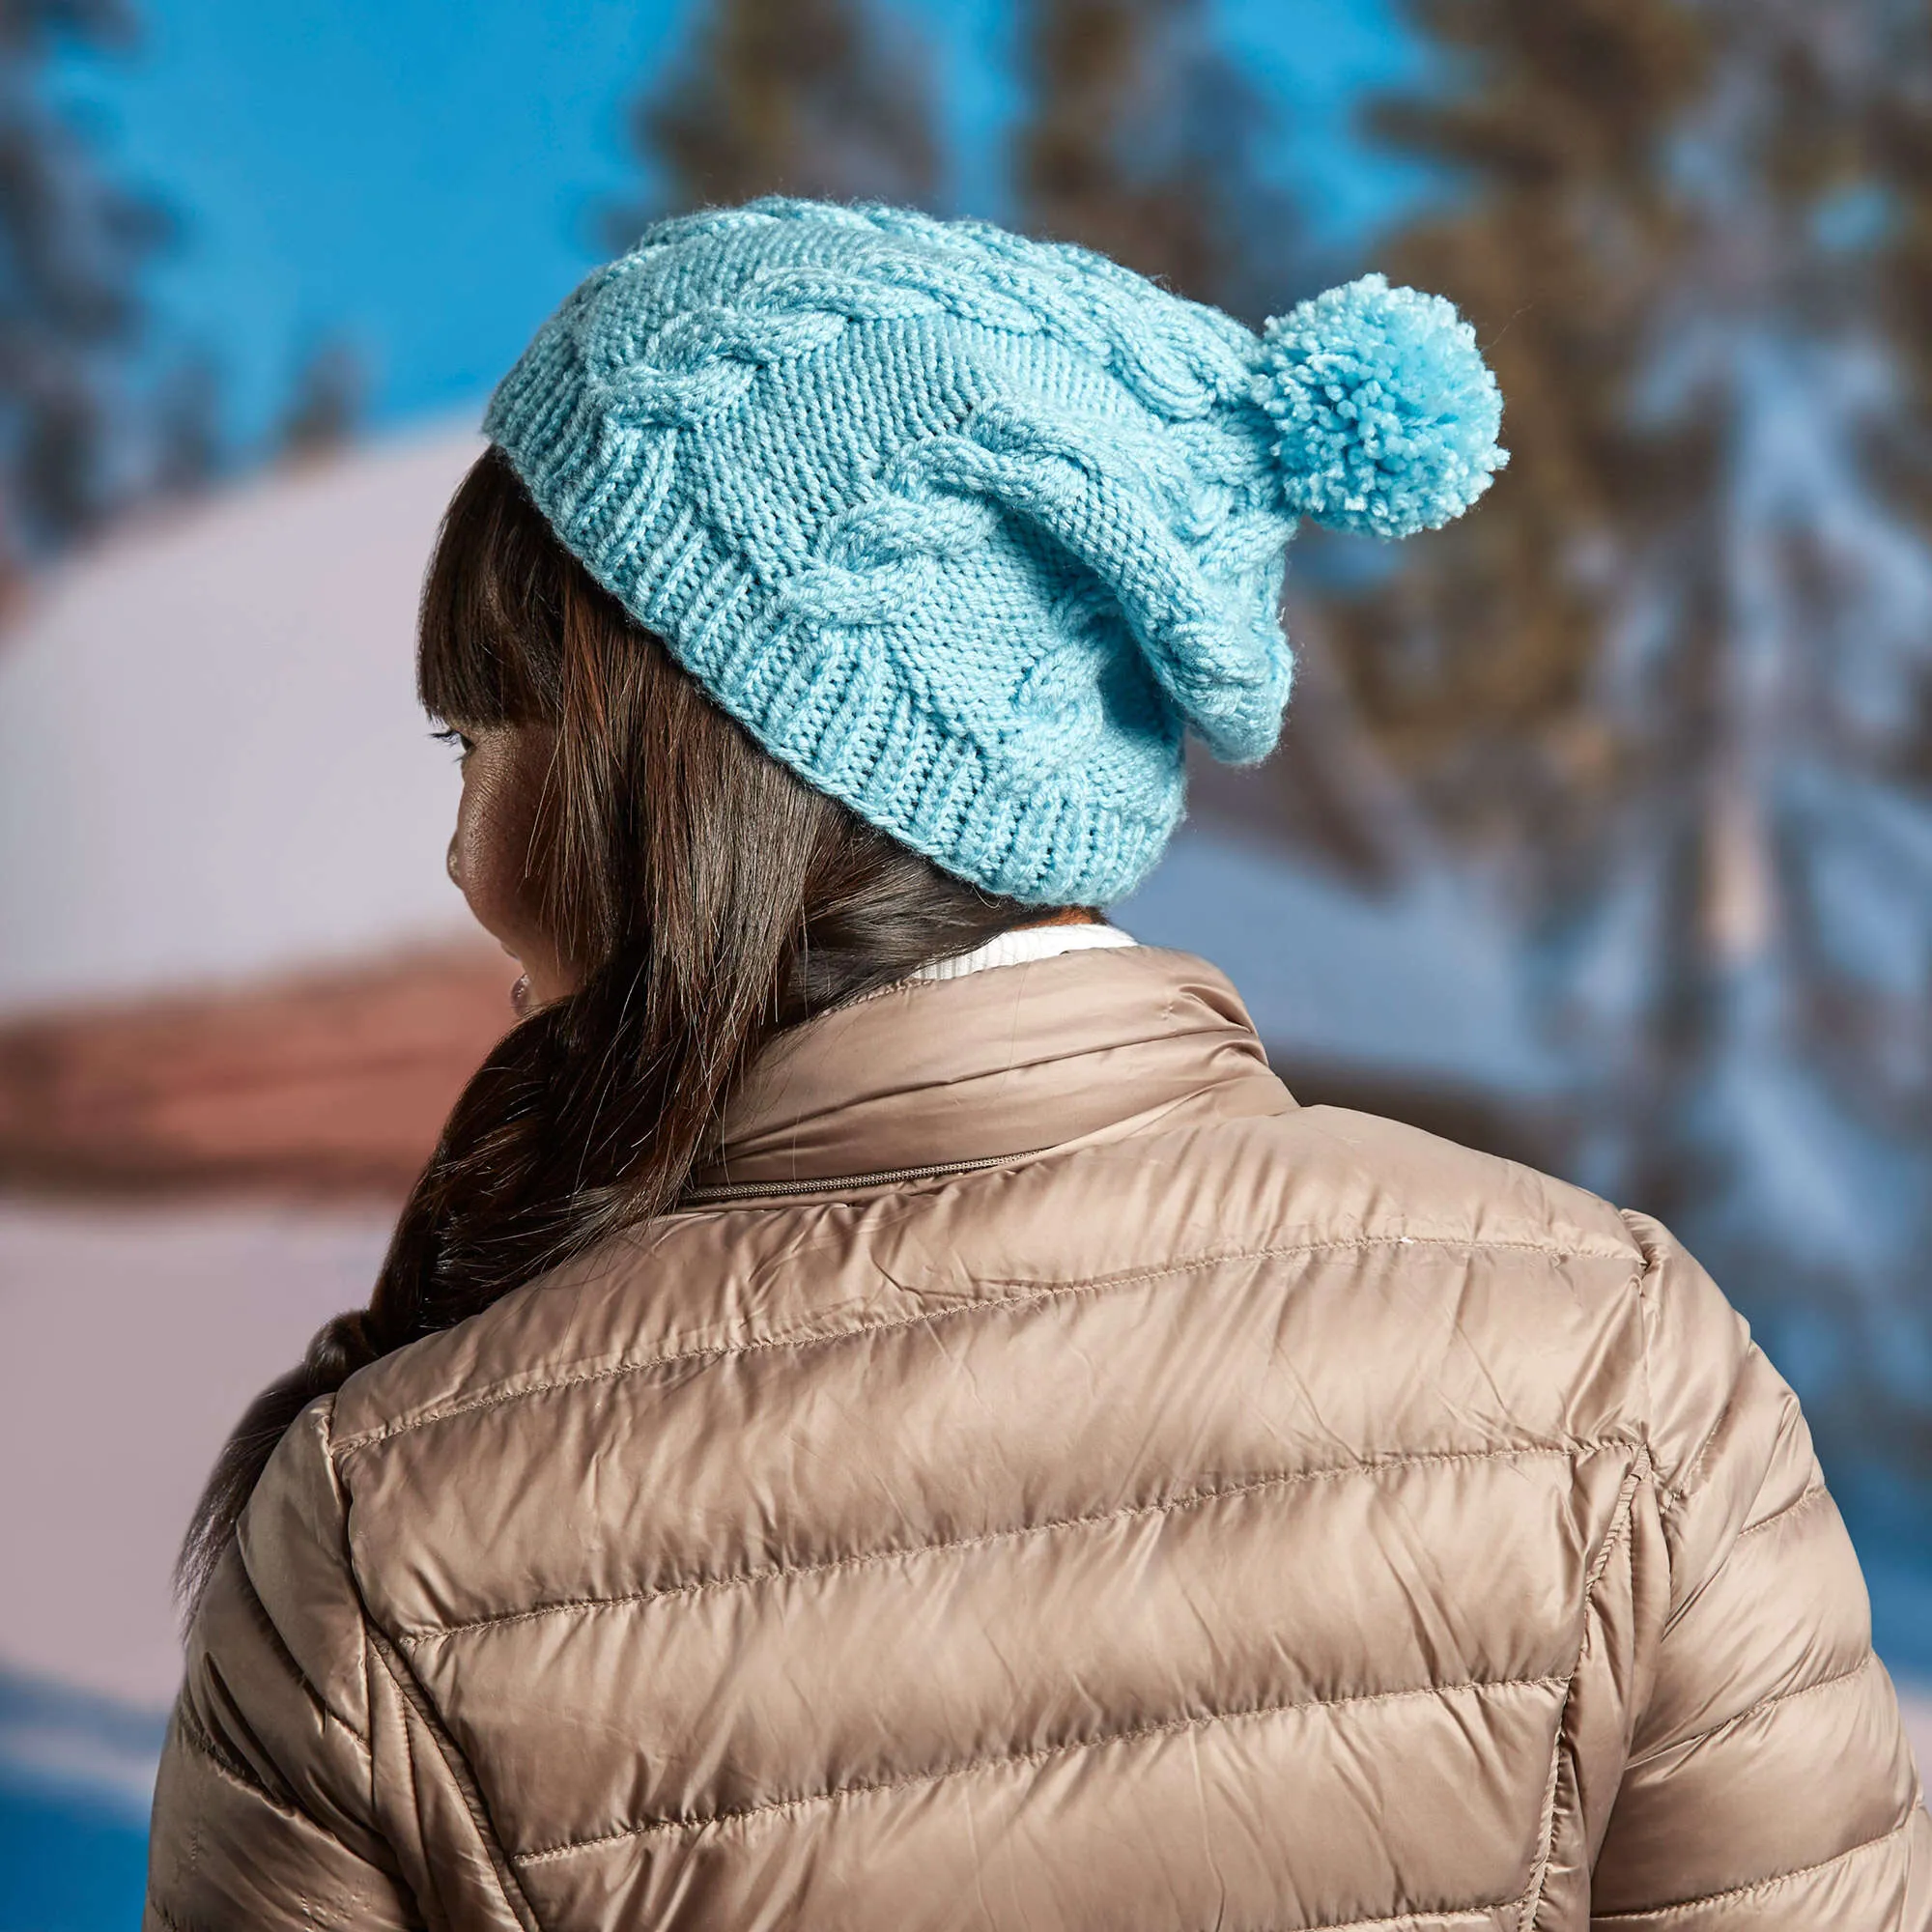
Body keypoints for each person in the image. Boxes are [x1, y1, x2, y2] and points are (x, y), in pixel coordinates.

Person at [146, 199, 1928, 1931]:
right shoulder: (1620, 1363)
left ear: (689, 777)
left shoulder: (386, 1535)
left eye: (487, 737)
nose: (465, 861)